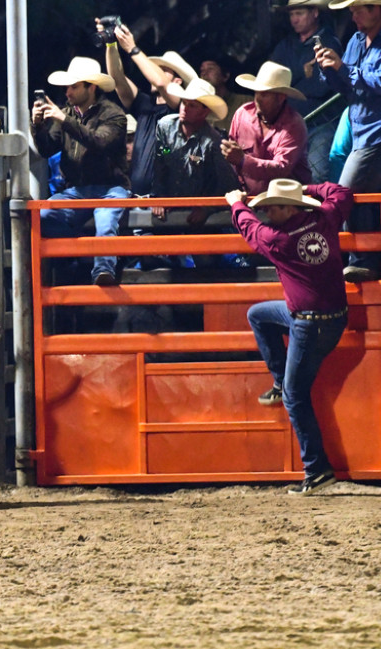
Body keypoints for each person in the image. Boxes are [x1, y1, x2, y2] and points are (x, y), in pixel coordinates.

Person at [225, 178, 353, 495]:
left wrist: (235, 203)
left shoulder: (278, 240)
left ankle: (317, 469)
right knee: (258, 314)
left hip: (308, 323)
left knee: (296, 396)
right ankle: (280, 379)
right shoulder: (325, 218)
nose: (267, 213)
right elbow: (341, 193)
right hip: (332, 316)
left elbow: (250, 230)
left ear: (287, 208)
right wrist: (306, 189)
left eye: (272, 207)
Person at [30, 56, 129, 286]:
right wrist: (37, 125)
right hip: (77, 189)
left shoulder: (113, 114)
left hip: (110, 188)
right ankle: (78, 256)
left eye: (74, 86)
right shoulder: (67, 114)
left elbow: (99, 141)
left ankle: (102, 271)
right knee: (42, 216)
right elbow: (46, 149)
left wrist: (63, 120)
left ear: (91, 87)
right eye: (68, 87)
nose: (68, 92)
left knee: (105, 224)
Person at [316, 0, 381, 282]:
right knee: (361, 198)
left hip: (376, 133)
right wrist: (329, 67)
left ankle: (346, 259)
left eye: (357, 10)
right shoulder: (355, 40)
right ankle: (363, 260)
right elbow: (346, 87)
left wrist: (342, 68)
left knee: (344, 193)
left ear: (376, 9)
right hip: (361, 131)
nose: (353, 16)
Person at [102, 19, 196, 195]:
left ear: (177, 81)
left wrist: (132, 48)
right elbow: (117, 77)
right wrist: (111, 45)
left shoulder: (180, 106)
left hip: (166, 200)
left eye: (163, 69)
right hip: (137, 196)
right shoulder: (144, 104)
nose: (153, 71)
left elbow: (160, 82)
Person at [270, 0, 346, 183]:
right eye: (291, 15)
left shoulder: (329, 43)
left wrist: (289, 87)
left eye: (299, 14)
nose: (294, 19)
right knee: (285, 175)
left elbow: (321, 88)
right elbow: (271, 80)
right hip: (288, 124)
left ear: (314, 13)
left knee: (317, 173)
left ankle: (320, 211)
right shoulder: (285, 45)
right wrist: (301, 73)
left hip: (321, 123)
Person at [151, 79, 238, 225]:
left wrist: (206, 208)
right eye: (184, 103)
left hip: (195, 213)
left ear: (205, 111)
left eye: (192, 105)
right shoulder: (165, 127)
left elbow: (227, 184)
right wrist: (159, 197)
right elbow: (160, 163)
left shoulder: (213, 142)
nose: (185, 108)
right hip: (169, 205)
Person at [221, 61, 312, 196]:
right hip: (249, 199)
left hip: (288, 204)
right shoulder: (242, 114)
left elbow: (281, 168)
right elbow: (232, 161)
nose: (257, 98)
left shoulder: (294, 124)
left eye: (264, 94)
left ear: (280, 98)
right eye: (256, 92)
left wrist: (242, 160)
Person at [198, 57, 251, 133]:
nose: (204, 74)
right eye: (202, 70)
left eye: (210, 69)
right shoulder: (199, 108)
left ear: (225, 76)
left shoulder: (245, 102)